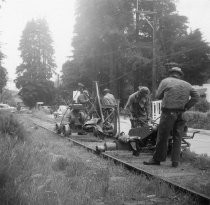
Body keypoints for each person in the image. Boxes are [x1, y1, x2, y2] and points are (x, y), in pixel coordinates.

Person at [143, 67, 199, 168]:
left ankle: (157, 159)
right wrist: (186, 106)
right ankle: (175, 162)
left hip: (168, 113)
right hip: (182, 114)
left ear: (171, 73)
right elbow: (196, 97)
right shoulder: (187, 84)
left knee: (163, 136)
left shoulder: (166, 81)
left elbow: (158, 96)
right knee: (178, 137)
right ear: (180, 75)